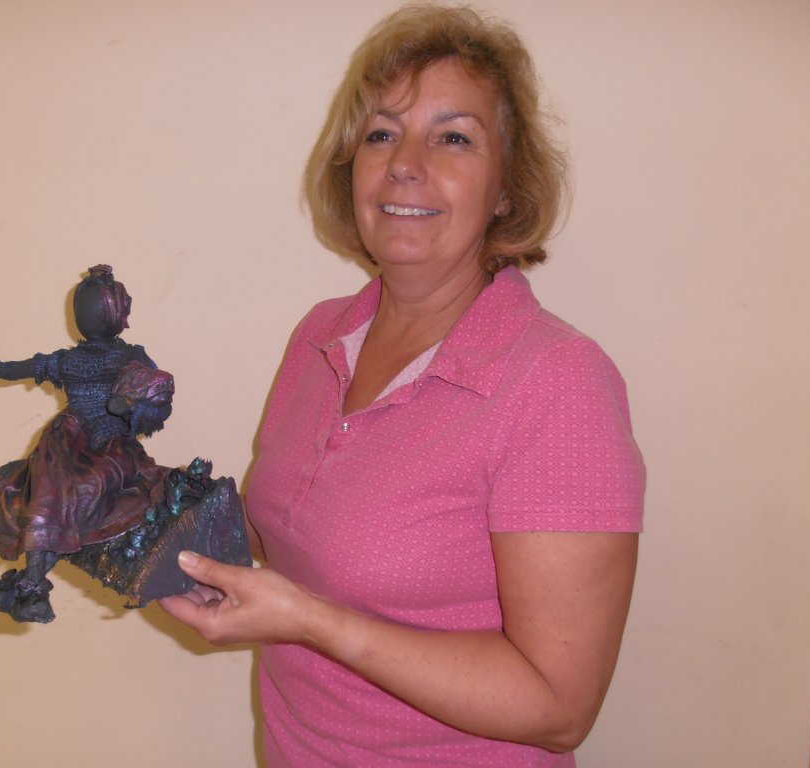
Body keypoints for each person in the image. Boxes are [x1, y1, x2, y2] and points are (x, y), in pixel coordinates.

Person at [160, 5, 645, 766]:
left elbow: (558, 707)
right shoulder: (321, 336)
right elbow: (284, 531)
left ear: (506, 188)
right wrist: (129, 506)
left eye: (453, 137)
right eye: (382, 134)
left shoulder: (558, 383)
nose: (405, 164)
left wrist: (311, 621)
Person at [0, 265, 174, 622]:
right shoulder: (65, 362)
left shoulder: (132, 358)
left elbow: (159, 403)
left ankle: (30, 587)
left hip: (114, 448)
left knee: (77, 492)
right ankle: (31, 588)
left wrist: (128, 408)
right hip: (66, 443)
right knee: (48, 491)